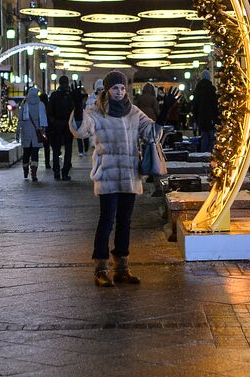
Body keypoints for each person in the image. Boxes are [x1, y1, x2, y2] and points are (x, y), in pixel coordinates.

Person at [69, 70, 161, 288]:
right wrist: (77, 109)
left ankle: (122, 267)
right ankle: (100, 267)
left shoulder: (134, 112)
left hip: (129, 174)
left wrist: (163, 115)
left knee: (125, 222)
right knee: (107, 220)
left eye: (122, 88)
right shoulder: (97, 112)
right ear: (108, 90)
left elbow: (151, 135)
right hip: (108, 174)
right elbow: (81, 131)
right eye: (115, 88)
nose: (119, 92)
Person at [47, 75, 76, 180]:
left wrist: (53, 122)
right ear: (67, 83)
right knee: (68, 150)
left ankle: (56, 172)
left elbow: (49, 111)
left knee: (56, 150)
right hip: (68, 125)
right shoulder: (70, 96)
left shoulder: (54, 95)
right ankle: (65, 173)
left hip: (57, 125)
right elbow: (74, 110)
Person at [19, 86, 47, 181]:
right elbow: (44, 120)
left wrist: (18, 132)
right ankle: (34, 173)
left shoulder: (24, 105)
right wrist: (43, 130)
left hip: (26, 132)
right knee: (35, 153)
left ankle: (25, 170)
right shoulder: (41, 105)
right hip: (37, 132)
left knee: (26, 152)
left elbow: (20, 120)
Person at [193, 71, 218, 153]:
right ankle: (210, 154)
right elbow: (215, 105)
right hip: (211, 117)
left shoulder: (197, 90)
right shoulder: (211, 90)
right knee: (212, 138)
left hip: (201, 118)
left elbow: (195, 106)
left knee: (204, 137)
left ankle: (203, 154)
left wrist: (196, 118)